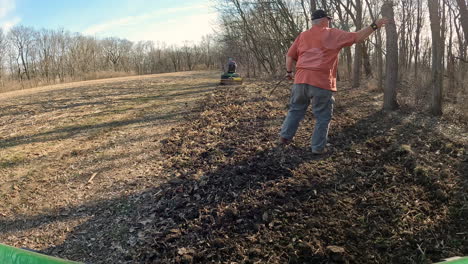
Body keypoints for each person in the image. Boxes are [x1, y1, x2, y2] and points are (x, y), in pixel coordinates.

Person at [278, 10, 389, 154]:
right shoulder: (332, 33)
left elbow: (289, 55)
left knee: (295, 110)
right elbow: (357, 37)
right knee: (323, 116)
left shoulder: (303, 35)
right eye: (328, 19)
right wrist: (375, 26)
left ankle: (284, 138)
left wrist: (288, 72)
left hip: (300, 80)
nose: (329, 21)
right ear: (323, 20)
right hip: (321, 82)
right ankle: (317, 148)